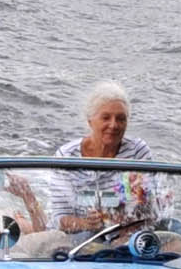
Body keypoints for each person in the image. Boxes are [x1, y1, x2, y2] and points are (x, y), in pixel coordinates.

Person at [47, 81, 170, 238]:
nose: (114, 125)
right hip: (81, 237)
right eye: (106, 118)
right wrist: (86, 223)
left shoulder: (136, 151)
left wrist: (122, 216)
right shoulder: (66, 156)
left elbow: (145, 207)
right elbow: (59, 218)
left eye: (121, 119)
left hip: (127, 233)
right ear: (90, 121)